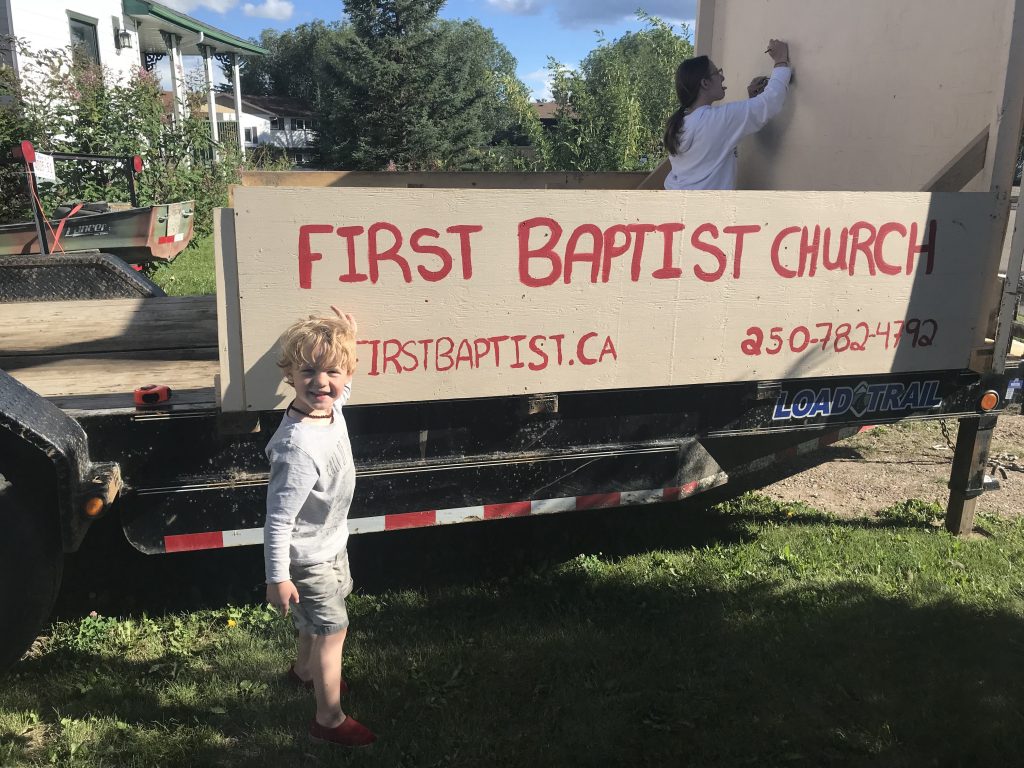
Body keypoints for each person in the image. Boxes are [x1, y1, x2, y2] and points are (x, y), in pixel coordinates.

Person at [263, 306, 376, 748]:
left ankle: (304, 672)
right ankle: (328, 719)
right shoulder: (296, 448)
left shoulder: (329, 408)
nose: (321, 382)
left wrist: (350, 334)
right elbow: (277, 521)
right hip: (306, 558)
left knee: (317, 620)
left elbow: (343, 386)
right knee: (333, 630)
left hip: (331, 544)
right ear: (290, 374)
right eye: (308, 371)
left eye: (332, 372)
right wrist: (278, 577)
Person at [663, 40, 792, 190]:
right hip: (708, 210)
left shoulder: (685, 122)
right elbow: (770, 102)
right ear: (705, 83)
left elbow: (720, 136)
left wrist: (751, 101)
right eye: (717, 73)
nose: (722, 77)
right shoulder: (713, 120)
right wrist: (781, 61)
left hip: (683, 207)